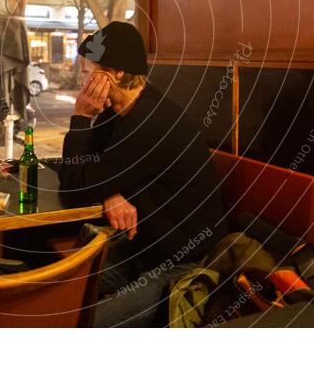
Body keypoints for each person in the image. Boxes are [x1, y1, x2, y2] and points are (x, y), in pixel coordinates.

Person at [58, 22, 226, 327]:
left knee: (83, 326)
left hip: (179, 264)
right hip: (142, 250)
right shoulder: (119, 110)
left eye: (87, 73)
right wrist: (110, 190)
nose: (83, 84)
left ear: (116, 73)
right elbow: (80, 170)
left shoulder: (150, 123)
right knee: (54, 291)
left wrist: (81, 116)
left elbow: (74, 187)